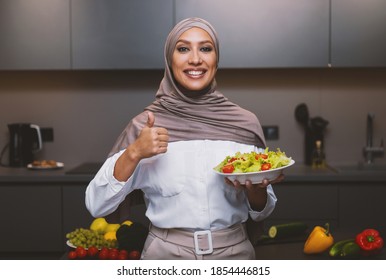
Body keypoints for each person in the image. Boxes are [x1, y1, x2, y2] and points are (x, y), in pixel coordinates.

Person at [85, 17, 282, 260]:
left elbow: (262, 212)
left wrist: (255, 191)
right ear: (170, 60)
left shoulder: (244, 124)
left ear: (216, 60)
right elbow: (97, 204)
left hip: (234, 254)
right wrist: (133, 152)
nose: (195, 59)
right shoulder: (145, 126)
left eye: (206, 48)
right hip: (165, 255)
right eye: (183, 48)